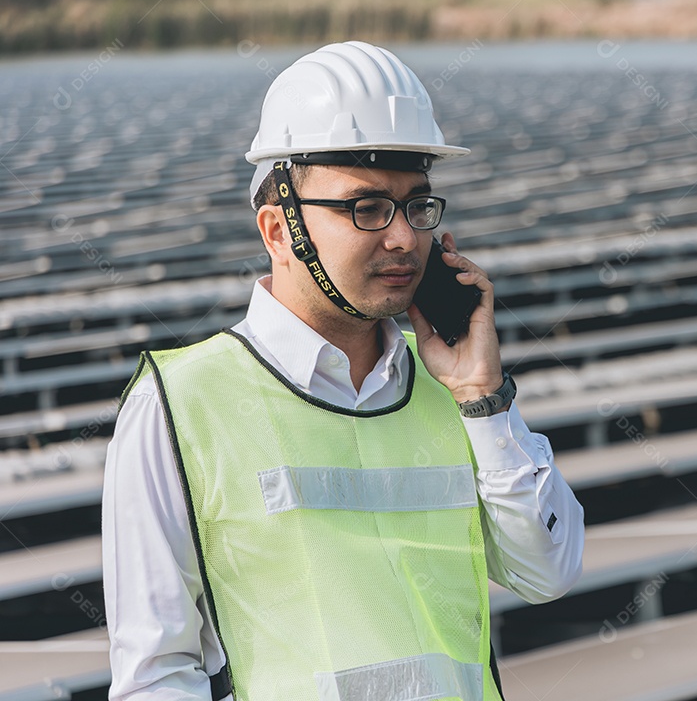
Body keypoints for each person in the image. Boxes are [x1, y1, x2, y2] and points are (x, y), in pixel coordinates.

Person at [102, 41, 584, 701]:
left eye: (417, 205)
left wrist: (484, 398)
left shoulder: (457, 388)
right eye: (366, 207)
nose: (404, 238)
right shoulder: (179, 404)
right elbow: (156, 675)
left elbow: (548, 573)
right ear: (278, 231)